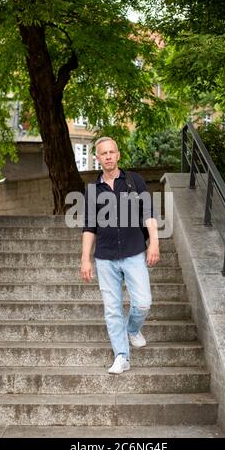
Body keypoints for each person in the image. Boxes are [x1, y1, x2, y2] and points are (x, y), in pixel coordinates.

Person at [80, 137, 160, 374]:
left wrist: (154, 242)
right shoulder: (92, 190)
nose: (108, 156)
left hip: (134, 251)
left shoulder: (135, 181)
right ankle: (121, 356)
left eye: (111, 152)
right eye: (103, 153)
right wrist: (85, 258)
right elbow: (89, 226)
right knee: (112, 309)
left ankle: (133, 329)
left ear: (118, 155)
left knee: (143, 301)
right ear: (98, 158)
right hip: (105, 257)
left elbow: (149, 213)